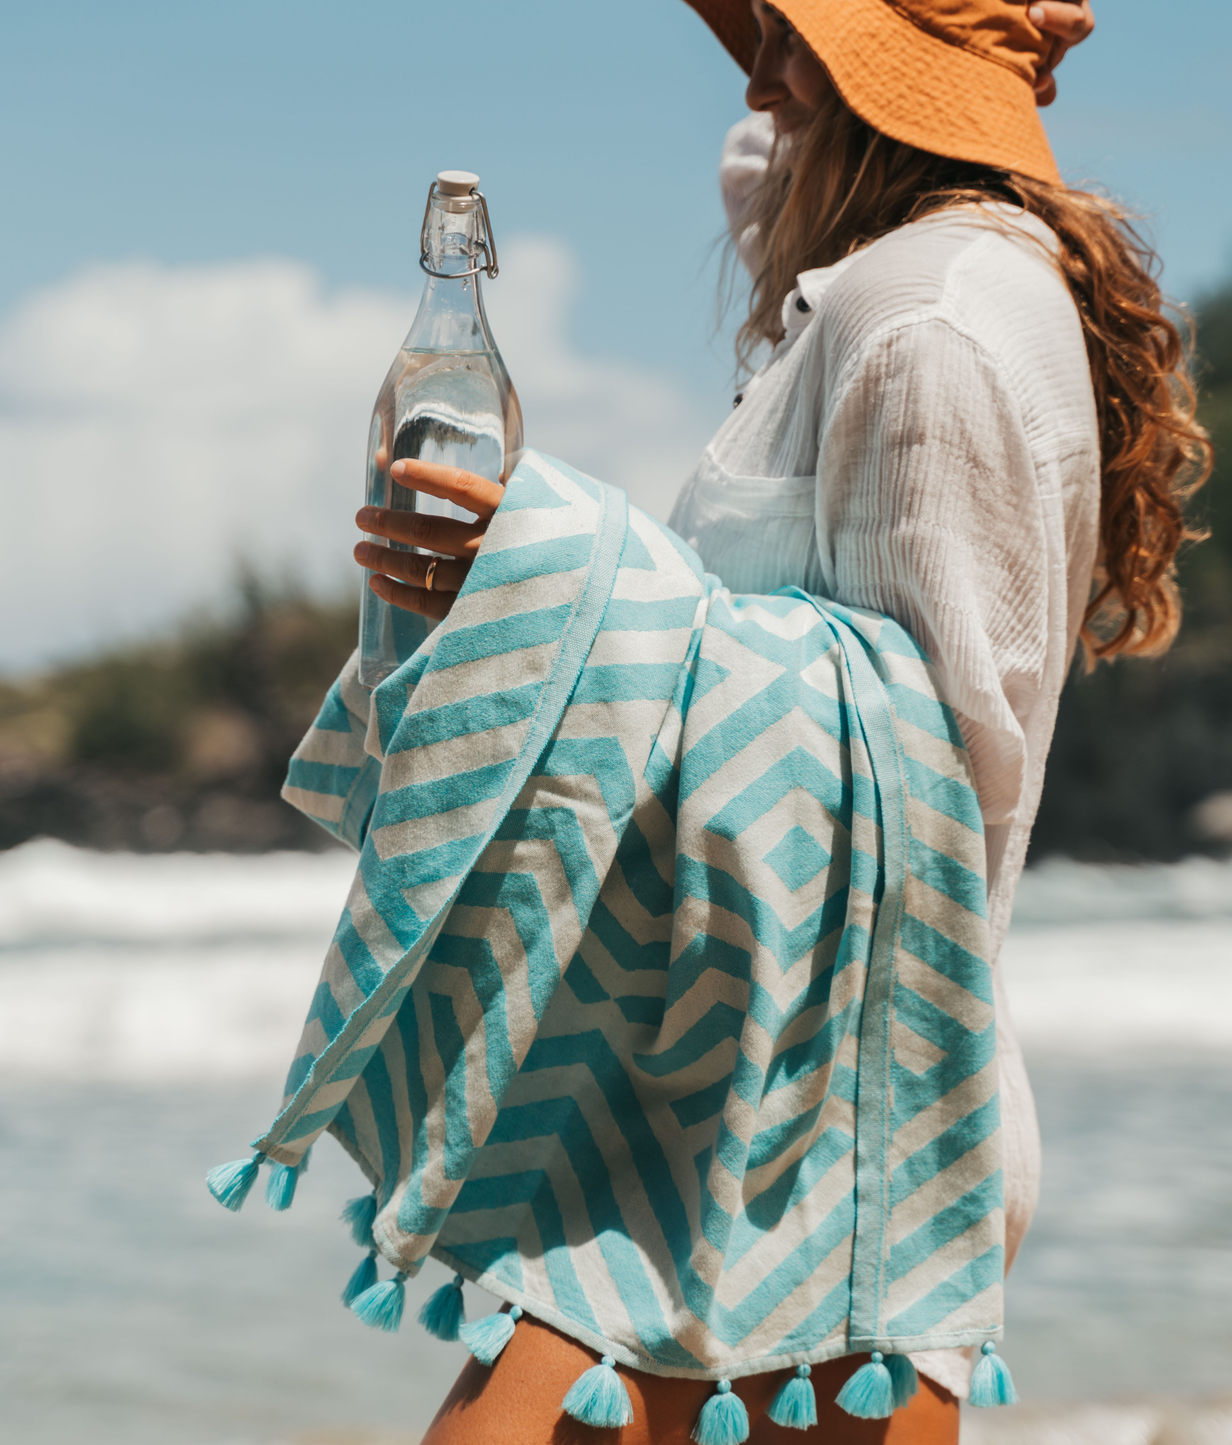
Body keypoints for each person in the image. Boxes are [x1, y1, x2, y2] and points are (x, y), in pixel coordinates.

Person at [347, 2, 1207, 1441]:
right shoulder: (870, 270)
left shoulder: (930, 324)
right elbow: (763, 147)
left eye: (794, 36)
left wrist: (556, 582)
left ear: (893, 85)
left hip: (827, 1147)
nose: (753, 73)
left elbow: (919, 770)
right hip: (726, 1106)